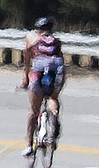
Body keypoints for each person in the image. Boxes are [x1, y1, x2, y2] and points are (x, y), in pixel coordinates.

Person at [21, 15, 66, 157]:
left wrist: (25, 80)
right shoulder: (57, 42)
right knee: (53, 98)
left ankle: (28, 146)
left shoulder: (31, 40)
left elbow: (27, 63)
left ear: (37, 30)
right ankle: (54, 117)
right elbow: (62, 62)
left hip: (38, 73)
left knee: (33, 111)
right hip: (56, 72)